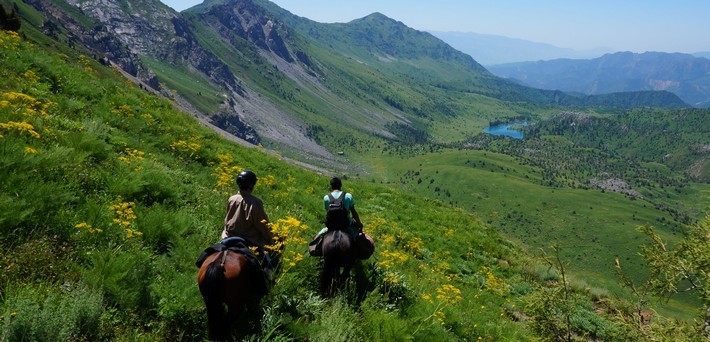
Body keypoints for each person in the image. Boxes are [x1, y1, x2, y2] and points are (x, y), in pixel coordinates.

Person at [221, 170, 276, 268]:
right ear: (251, 185)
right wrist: (271, 239)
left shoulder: (232, 199)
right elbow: (263, 226)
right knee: (269, 267)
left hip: (228, 237)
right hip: (249, 242)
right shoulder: (255, 203)